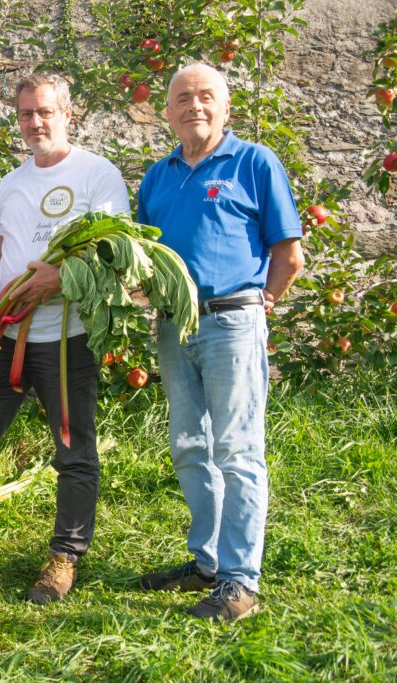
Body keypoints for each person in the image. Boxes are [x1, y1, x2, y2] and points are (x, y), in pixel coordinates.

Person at [0, 73, 130, 605]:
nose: (35, 122)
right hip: (10, 333)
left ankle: (65, 556)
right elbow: (2, 252)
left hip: (70, 336)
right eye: (25, 114)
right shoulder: (14, 182)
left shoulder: (98, 175)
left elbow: (117, 257)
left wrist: (60, 280)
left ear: (68, 114)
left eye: (45, 112)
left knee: (73, 449)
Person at [136, 63, 304, 622]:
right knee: (189, 444)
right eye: (182, 98)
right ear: (167, 113)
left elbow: (288, 253)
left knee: (237, 449)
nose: (194, 106)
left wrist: (262, 304)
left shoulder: (254, 162)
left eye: (206, 96)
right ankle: (207, 561)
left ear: (225, 107)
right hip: (173, 323)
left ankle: (240, 581)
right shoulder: (157, 178)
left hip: (232, 319)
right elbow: (143, 257)